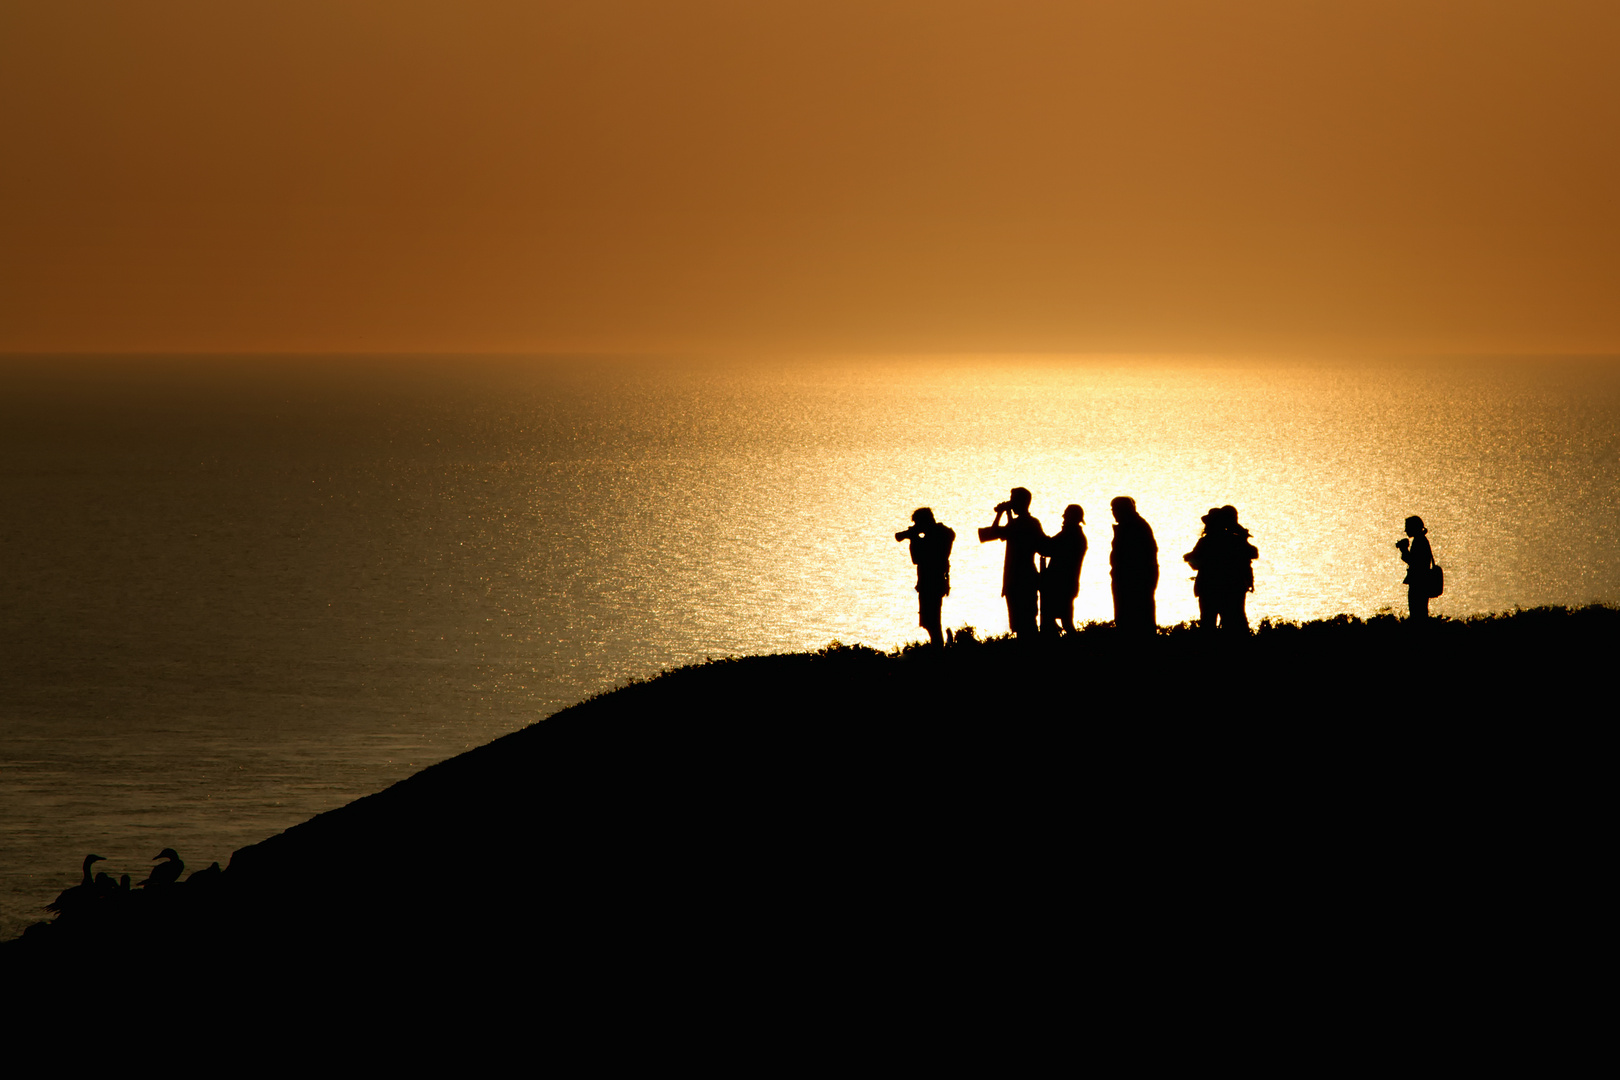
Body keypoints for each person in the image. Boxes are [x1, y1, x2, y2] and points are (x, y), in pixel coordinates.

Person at [978, 487, 1047, 638]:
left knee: (1023, 622)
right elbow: (1001, 532)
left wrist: (1000, 513)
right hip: (1024, 577)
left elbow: (993, 532)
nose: (1011, 503)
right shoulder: (1030, 523)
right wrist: (1006, 513)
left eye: (1013, 500)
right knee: (1026, 620)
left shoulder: (1021, 524)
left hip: (1017, 579)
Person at [1183, 505, 1259, 632]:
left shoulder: (1205, 542)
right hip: (1233, 588)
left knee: (1208, 624)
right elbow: (1253, 553)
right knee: (1235, 623)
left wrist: (1189, 557)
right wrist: (1243, 536)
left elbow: (1194, 562)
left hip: (1208, 589)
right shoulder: (1235, 540)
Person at [895, 508, 955, 647]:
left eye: (918, 523)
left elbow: (917, 558)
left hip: (932, 583)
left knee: (932, 622)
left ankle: (938, 650)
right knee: (929, 622)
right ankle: (937, 648)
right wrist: (916, 535)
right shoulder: (938, 534)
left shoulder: (939, 535)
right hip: (930, 582)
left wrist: (914, 538)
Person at [1109, 496, 1159, 633]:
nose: (1113, 513)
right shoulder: (1134, 525)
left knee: (1133, 619)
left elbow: (1136, 558)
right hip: (1130, 580)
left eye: (1115, 510)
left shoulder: (1134, 527)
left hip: (1133, 581)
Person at [1039, 504, 1087, 634]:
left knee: (1059, 621)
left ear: (1071, 517)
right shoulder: (1075, 535)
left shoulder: (1070, 535)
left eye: (1066, 514)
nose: (1063, 516)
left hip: (1059, 586)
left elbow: (1047, 548)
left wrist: (1037, 534)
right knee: (1064, 621)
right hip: (1067, 585)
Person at [1397, 515, 1435, 620]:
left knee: (1417, 614)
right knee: (1420, 612)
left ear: (1414, 527)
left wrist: (1404, 550)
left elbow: (1415, 562)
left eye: (1407, 527)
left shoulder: (1419, 542)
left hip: (1419, 583)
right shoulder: (1421, 540)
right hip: (1421, 582)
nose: (1405, 530)